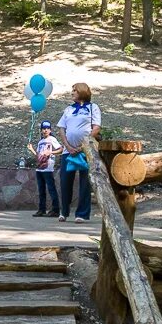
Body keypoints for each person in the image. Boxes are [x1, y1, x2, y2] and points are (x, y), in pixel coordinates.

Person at [57, 82, 102, 222]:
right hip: (68, 151)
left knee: (85, 182)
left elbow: (96, 128)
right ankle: (64, 211)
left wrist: (83, 146)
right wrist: (68, 146)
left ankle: (82, 214)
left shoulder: (93, 108)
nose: (72, 93)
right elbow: (61, 129)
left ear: (82, 92)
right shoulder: (68, 109)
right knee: (65, 181)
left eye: (74, 91)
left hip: (86, 150)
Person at [27, 120, 62, 217]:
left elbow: (61, 149)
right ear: (41, 130)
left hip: (48, 168)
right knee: (41, 190)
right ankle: (41, 209)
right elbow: (38, 155)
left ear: (50, 130)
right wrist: (32, 150)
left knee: (51, 189)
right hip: (39, 168)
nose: (45, 130)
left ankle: (55, 210)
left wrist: (51, 153)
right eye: (43, 128)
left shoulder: (52, 139)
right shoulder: (40, 142)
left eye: (47, 128)